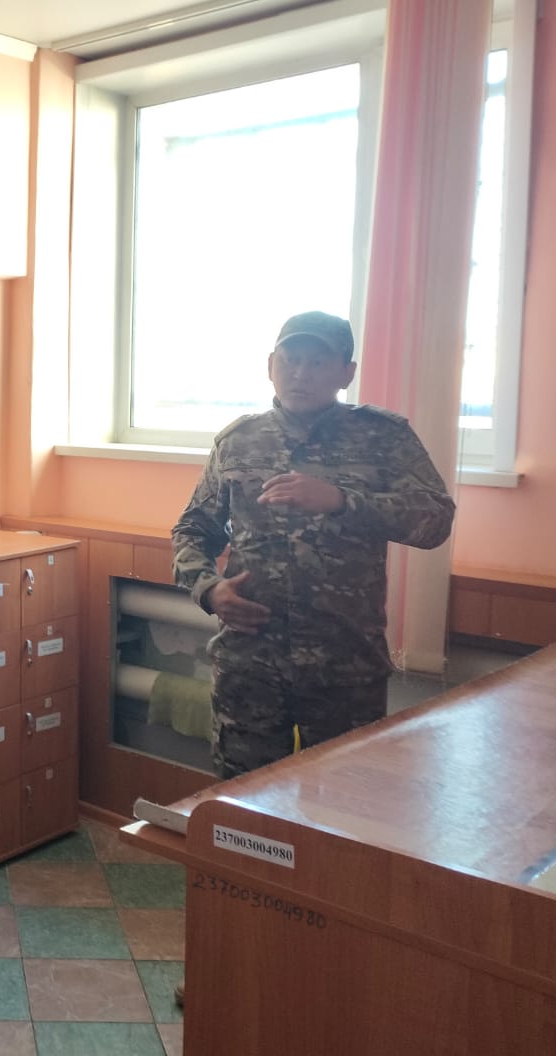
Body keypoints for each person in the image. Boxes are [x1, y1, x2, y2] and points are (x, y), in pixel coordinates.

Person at [171, 311, 456, 780]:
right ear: (270, 365)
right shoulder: (238, 441)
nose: (300, 373)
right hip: (250, 663)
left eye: (317, 362)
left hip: (344, 667)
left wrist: (343, 501)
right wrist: (208, 589)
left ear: (347, 372)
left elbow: (435, 520)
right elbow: (192, 529)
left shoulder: (384, 437)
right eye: (290, 360)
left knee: (346, 803)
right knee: (244, 802)